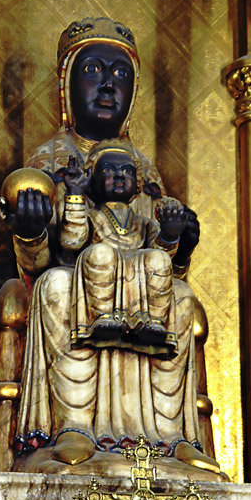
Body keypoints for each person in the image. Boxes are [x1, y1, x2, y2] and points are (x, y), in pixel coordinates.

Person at [0, 16, 220, 475]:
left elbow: (165, 264)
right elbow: (38, 263)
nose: (107, 86)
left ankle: (173, 437)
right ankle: (71, 425)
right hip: (75, 285)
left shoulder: (145, 170)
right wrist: (31, 230)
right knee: (56, 287)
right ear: (67, 86)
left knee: (181, 301)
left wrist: (180, 242)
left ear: (133, 93)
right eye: (93, 70)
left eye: (120, 75)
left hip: (137, 291)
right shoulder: (48, 162)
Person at [60, 142, 186, 356]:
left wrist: (169, 234)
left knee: (159, 259)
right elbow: (72, 241)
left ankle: (153, 322)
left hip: (137, 280)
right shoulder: (91, 217)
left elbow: (162, 253)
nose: (119, 176)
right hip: (104, 270)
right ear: (91, 179)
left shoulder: (144, 223)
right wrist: (75, 196)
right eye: (108, 170)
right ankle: (101, 318)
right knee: (100, 253)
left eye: (127, 171)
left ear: (137, 184)